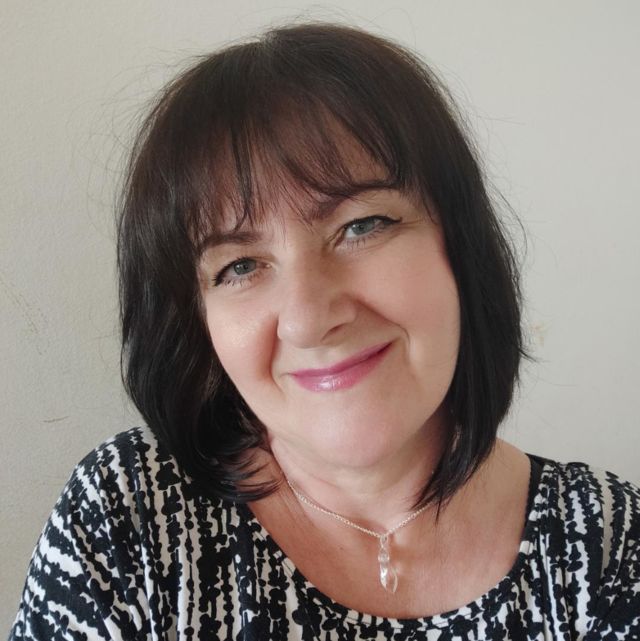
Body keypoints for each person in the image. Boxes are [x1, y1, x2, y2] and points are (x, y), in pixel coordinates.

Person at [9, 22, 639, 641]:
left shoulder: (609, 544)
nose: (309, 318)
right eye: (240, 266)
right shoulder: (127, 517)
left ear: (458, 244)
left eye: (361, 226)